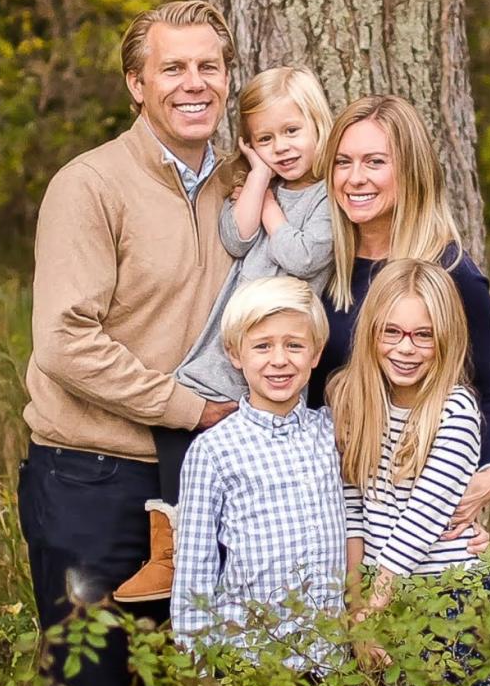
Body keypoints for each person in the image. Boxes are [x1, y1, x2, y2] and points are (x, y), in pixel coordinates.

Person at [17, 0, 238, 686]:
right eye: (174, 69)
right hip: (89, 483)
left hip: (191, 487)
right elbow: (66, 342)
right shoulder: (91, 185)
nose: (195, 84)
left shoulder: (244, 181)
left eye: (211, 67)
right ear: (137, 84)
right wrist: (191, 408)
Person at [115, 66, 335, 602]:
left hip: (272, 351)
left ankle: (199, 551)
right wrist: (258, 177)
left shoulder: (328, 199)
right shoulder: (262, 186)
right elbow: (236, 239)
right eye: (264, 139)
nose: (280, 147)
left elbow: (303, 257)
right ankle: (172, 543)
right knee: (176, 420)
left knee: (231, 446)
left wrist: (273, 209)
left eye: (291, 132)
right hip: (227, 346)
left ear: (318, 128)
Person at [330, 257, 490, 686]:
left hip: (443, 607)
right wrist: (355, 597)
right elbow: (352, 504)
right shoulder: (351, 399)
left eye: (422, 336)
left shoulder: (454, 409)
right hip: (379, 601)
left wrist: (372, 609)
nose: (406, 349)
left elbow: (424, 517)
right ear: (371, 331)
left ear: (446, 339)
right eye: (392, 333)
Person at [170, 276, 348, 686]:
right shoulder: (215, 450)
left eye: (294, 346)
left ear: (316, 355)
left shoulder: (330, 434)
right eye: (263, 346)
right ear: (236, 354)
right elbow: (194, 569)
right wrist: (198, 667)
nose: (279, 360)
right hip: (242, 655)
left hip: (319, 650)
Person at [308, 95, 490, 538]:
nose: (355, 178)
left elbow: (486, 393)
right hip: (326, 499)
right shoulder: (320, 268)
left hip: (403, 519)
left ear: (410, 170)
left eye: (374, 162)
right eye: (343, 162)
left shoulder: (452, 277)